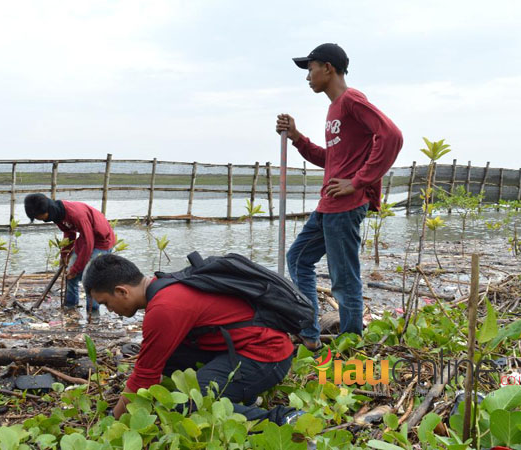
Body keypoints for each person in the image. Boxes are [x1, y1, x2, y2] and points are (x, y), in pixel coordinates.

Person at [276, 43, 403, 351]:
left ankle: (351, 344)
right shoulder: (334, 109)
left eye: (311, 69)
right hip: (328, 206)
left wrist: (357, 182)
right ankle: (309, 332)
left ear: (328, 68)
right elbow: (331, 158)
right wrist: (297, 138)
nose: (308, 76)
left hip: (346, 207)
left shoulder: (351, 100)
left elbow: (392, 136)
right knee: (298, 258)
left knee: (344, 280)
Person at [82, 253, 304, 425]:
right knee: (167, 357)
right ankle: (241, 395)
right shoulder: (166, 284)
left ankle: (283, 418)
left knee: (183, 404)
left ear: (122, 291)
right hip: (242, 347)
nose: (110, 310)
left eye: (105, 303)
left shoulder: (164, 307)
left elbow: (143, 377)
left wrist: (113, 418)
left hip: (267, 356)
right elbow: (151, 365)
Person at [24, 193, 115, 310]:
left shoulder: (76, 215)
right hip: (86, 238)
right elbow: (69, 233)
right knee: (69, 275)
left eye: (38, 217)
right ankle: (70, 306)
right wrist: (64, 255)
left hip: (102, 241)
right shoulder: (57, 214)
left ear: (45, 210)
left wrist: (76, 269)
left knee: (90, 279)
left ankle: (93, 314)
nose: (39, 220)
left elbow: (89, 244)